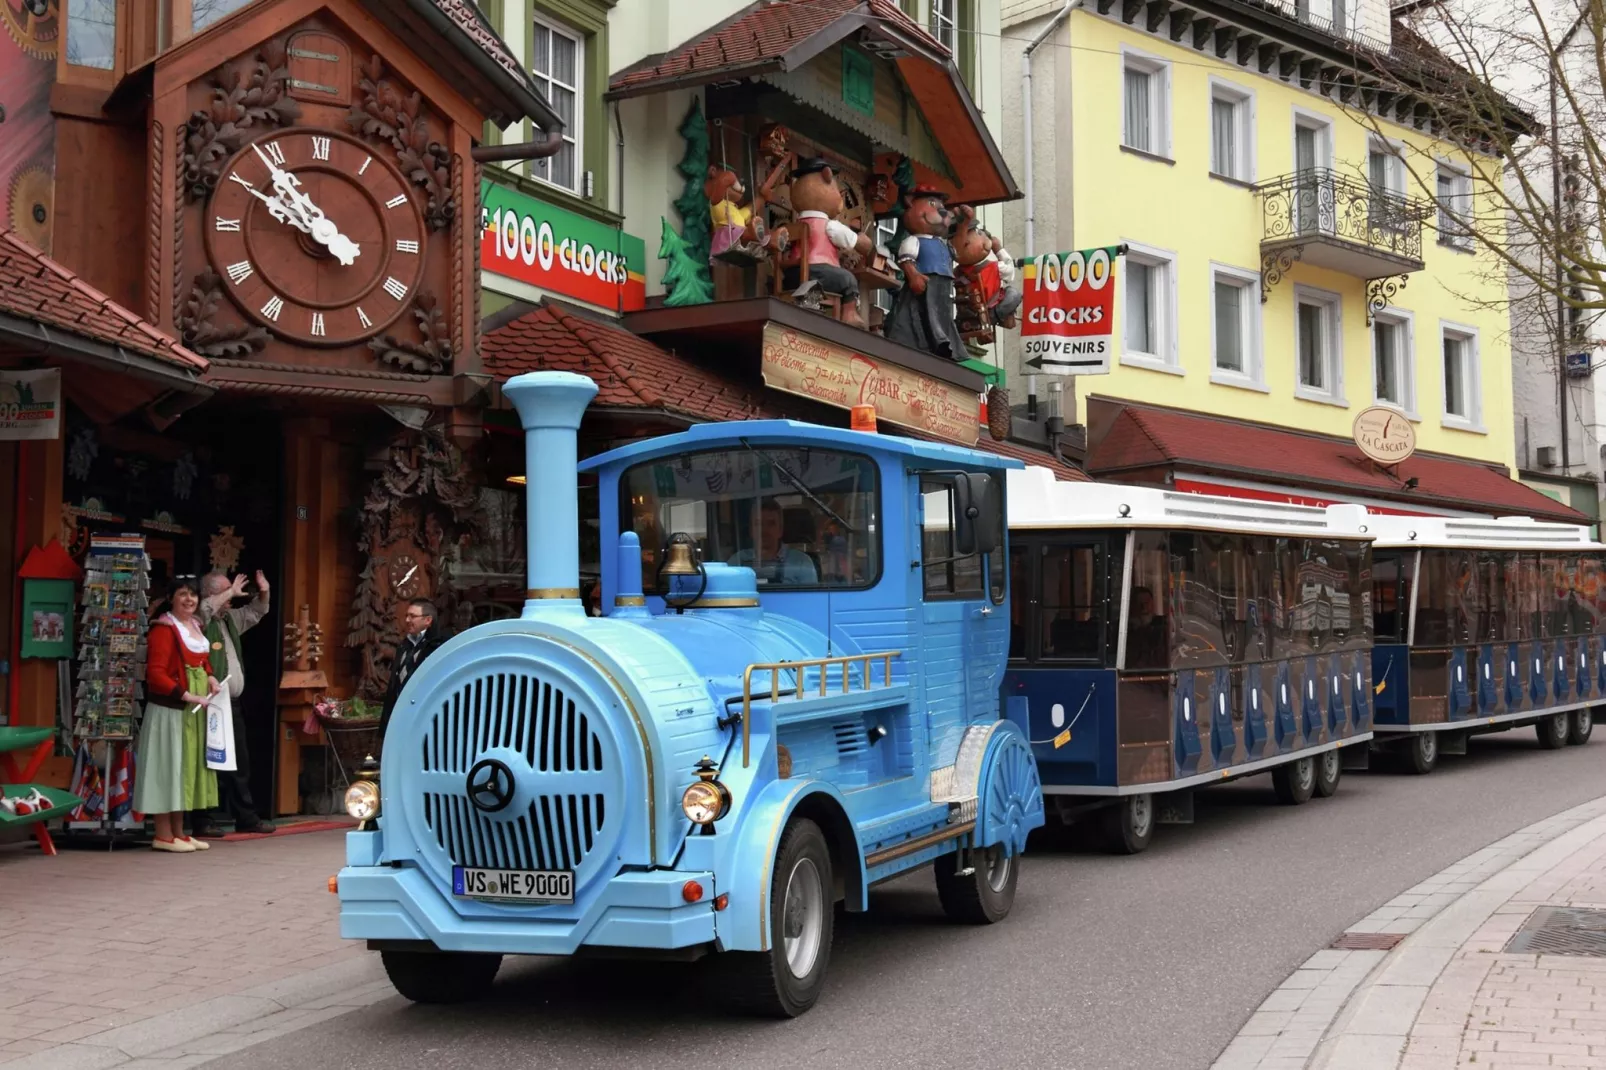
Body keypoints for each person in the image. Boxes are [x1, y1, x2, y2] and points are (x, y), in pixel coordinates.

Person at [132, 577, 220, 853]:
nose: (189, 600)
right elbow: (156, 674)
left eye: (193, 595)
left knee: (184, 768)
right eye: (183, 594)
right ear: (171, 597)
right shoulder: (163, 629)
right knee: (168, 767)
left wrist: (210, 679)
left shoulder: (194, 626)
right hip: (170, 711)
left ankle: (180, 833)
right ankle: (163, 834)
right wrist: (186, 694)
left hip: (191, 712)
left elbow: (201, 663)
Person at [190, 570, 273, 837]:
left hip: (232, 703)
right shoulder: (198, 619)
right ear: (212, 594)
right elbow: (205, 608)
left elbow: (256, 611)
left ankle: (245, 817)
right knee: (207, 762)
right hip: (208, 702)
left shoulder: (228, 619)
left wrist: (264, 591)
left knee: (239, 763)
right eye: (227, 592)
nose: (233, 597)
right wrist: (230, 591)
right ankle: (203, 819)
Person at [380, 598, 447, 738]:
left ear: (428, 620)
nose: (407, 620)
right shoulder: (405, 645)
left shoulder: (438, 647)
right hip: (399, 714)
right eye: (406, 615)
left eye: (413, 616)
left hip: (423, 718)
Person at [727, 499, 818, 585]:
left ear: (780, 529)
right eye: (758, 524)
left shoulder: (801, 563)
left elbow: (810, 599)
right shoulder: (737, 562)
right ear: (751, 530)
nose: (764, 530)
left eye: (771, 523)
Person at [1126, 586, 1168, 669]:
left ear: (1153, 603)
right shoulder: (1124, 629)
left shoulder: (1163, 624)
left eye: (1147, 602)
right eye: (1139, 603)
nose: (1144, 607)